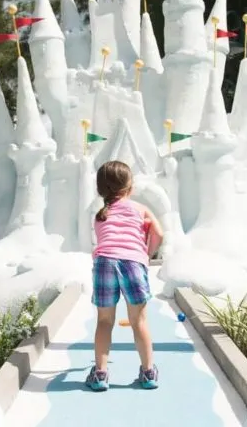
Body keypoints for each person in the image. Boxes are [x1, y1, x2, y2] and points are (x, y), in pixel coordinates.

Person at [85, 160, 163, 392]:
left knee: (104, 321)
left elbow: (107, 241)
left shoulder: (100, 215)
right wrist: (145, 254)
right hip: (132, 262)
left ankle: (100, 374)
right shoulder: (141, 209)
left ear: (101, 189)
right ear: (130, 187)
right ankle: (148, 372)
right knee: (139, 321)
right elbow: (158, 233)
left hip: (104, 262)